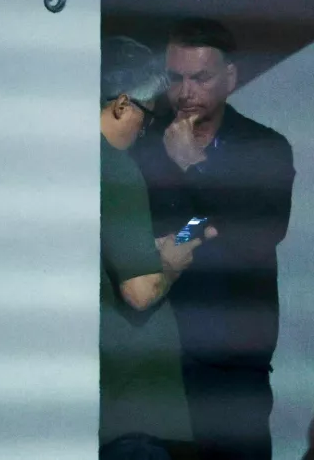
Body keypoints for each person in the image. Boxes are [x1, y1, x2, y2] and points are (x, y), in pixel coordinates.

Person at [131, 18, 296, 460]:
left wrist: (193, 167)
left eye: (200, 78)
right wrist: (202, 224)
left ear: (230, 79)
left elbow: (260, 234)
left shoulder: (265, 148)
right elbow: (147, 236)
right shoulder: (144, 147)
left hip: (234, 356)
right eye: (176, 78)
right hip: (161, 352)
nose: (186, 92)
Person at [99, 36, 214, 460]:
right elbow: (142, 289)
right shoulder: (114, 165)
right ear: (121, 104)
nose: (145, 130)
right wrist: (171, 266)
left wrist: (175, 241)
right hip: (130, 410)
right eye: (146, 117)